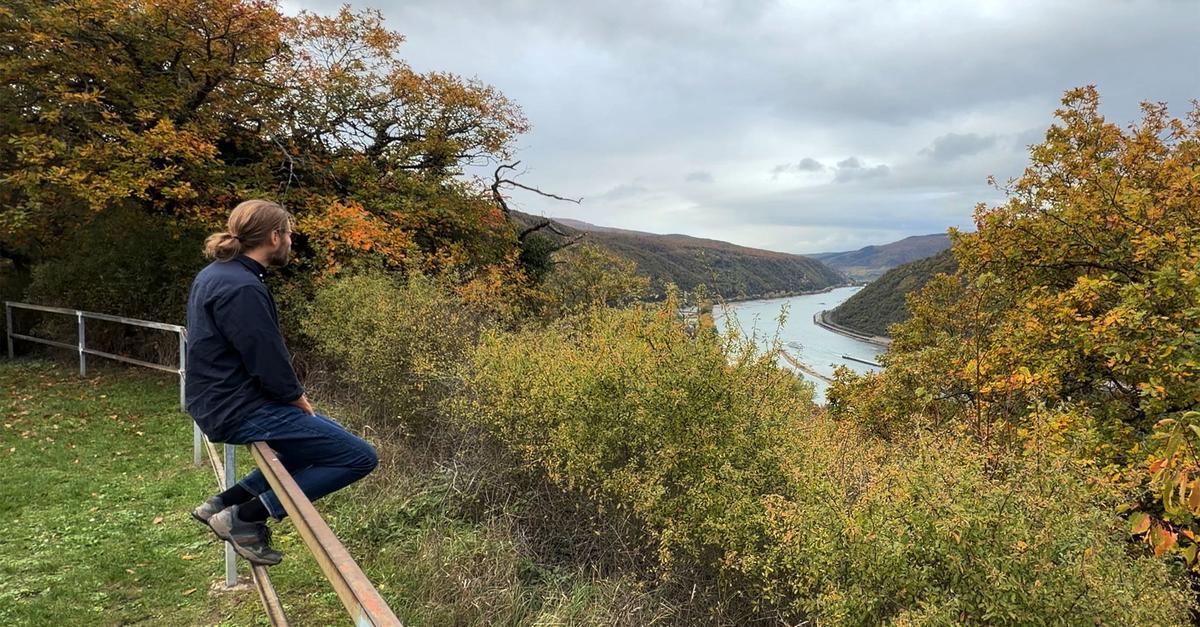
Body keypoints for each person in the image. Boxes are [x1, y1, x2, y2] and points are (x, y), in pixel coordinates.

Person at [184, 199, 378, 565]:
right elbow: (265, 356)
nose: (291, 240)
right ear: (274, 237)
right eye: (289, 233)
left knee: (326, 437)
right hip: (238, 407)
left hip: (220, 399)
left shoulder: (216, 273)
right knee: (359, 456)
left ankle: (223, 503)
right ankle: (244, 517)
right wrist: (294, 397)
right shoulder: (243, 287)